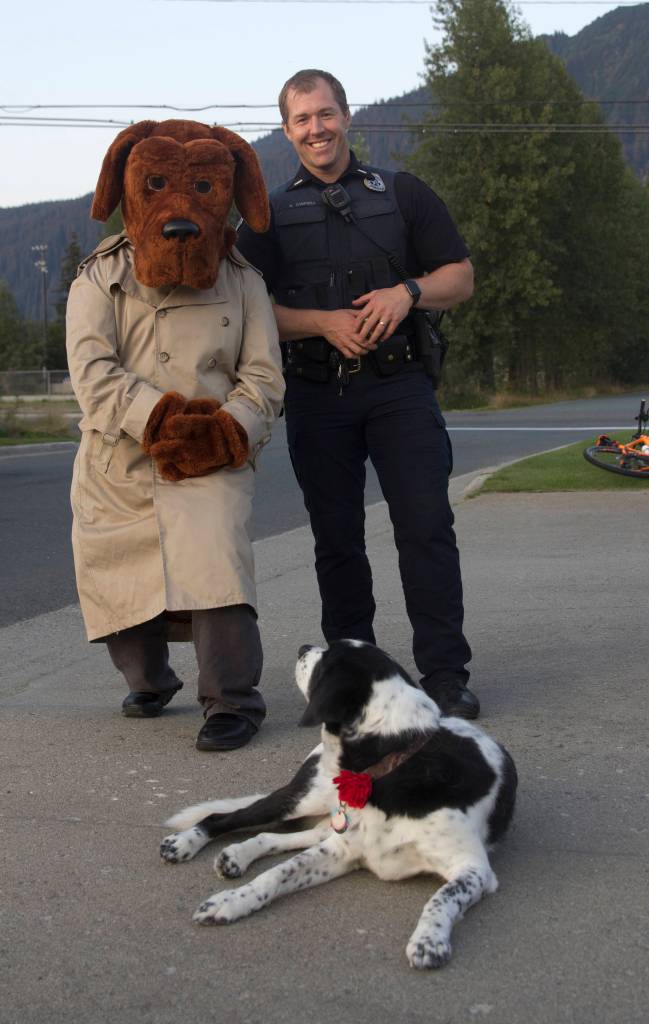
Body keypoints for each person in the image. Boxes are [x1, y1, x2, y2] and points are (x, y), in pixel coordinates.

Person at [236, 69, 479, 718]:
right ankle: (353, 681)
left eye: (325, 114)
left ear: (346, 116)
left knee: (425, 528)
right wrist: (321, 322)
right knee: (336, 541)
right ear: (287, 131)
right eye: (301, 119)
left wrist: (408, 293)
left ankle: (446, 676)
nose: (316, 128)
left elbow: (459, 277)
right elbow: (243, 307)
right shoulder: (265, 217)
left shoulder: (401, 193)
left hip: (399, 389)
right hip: (318, 398)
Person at [66, 119, 285, 751]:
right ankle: (149, 678)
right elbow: (92, 371)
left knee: (217, 562)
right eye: (157, 184)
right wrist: (155, 419)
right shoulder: (98, 277)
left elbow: (265, 377)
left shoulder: (244, 282)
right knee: (116, 578)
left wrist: (226, 432)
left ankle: (233, 701)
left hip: (212, 454)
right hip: (120, 454)